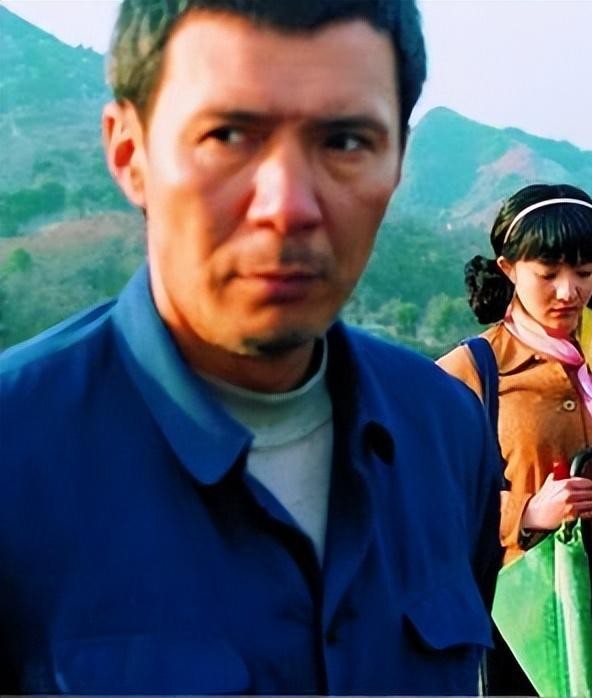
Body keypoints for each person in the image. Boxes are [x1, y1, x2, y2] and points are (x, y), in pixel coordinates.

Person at [0, 1, 503, 694]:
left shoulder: (444, 432)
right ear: (130, 153)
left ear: (397, 163)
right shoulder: (17, 450)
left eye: (345, 141)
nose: (288, 204)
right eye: (229, 135)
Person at [438, 183, 592, 693]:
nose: (569, 291)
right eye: (548, 274)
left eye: (584, 272)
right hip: (524, 622)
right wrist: (526, 513)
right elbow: (426, 501)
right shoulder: (469, 372)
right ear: (508, 269)